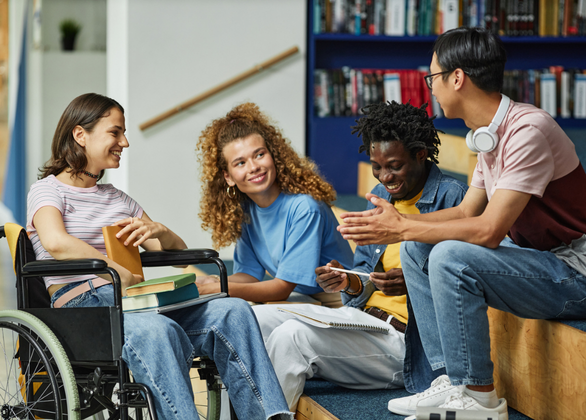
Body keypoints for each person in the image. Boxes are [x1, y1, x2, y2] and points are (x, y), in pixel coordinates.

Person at [338, 27, 586, 419]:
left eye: (432, 77)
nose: (431, 88)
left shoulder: (527, 131)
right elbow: (466, 211)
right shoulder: (488, 134)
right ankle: (448, 380)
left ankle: (479, 397)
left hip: (575, 270)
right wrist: (400, 223)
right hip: (539, 260)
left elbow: (488, 229)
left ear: (457, 78)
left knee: (451, 256)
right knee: (420, 247)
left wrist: (401, 227)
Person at [26, 93, 293, 420]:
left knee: (232, 311)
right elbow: (56, 243)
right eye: (115, 132)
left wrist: (158, 231)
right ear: (80, 135)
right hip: (84, 310)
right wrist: (114, 269)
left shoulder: (118, 199)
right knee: (157, 331)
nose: (124, 142)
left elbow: (176, 255)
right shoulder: (47, 190)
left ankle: (268, 416)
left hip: (133, 302)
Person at [252, 101, 468, 411]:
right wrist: (348, 280)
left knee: (291, 337)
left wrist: (410, 283)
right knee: (252, 318)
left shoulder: (454, 199)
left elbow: (466, 281)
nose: (384, 177)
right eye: (377, 166)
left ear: (421, 153)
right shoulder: (380, 198)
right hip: (363, 320)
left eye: (394, 165)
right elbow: (364, 273)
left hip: (405, 342)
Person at [195, 102, 354, 304]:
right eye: (240, 163)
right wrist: (211, 282)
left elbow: (280, 289)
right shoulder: (246, 211)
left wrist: (218, 288)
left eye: (260, 154)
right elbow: (249, 275)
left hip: (338, 299)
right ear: (228, 177)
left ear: (274, 156)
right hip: (303, 295)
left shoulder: (305, 208)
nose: (253, 167)